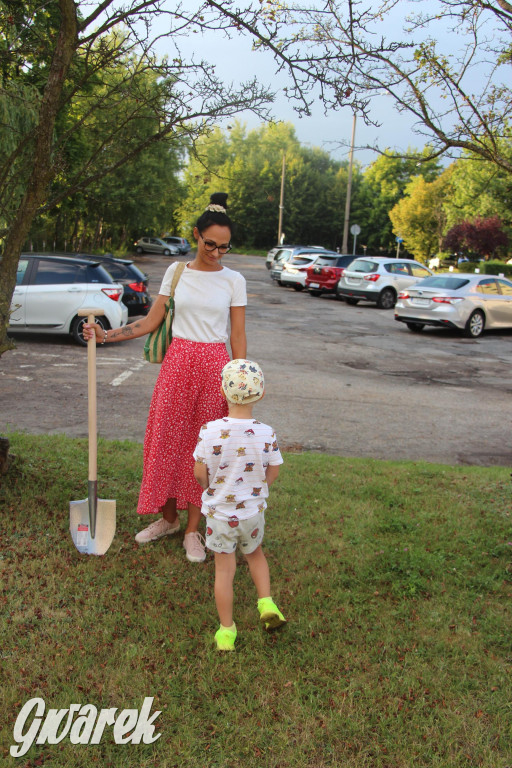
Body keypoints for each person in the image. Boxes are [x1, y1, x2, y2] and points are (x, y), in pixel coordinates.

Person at [83, 193, 247, 563]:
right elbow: (150, 322)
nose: (217, 253)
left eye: (225, 248)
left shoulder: (234, 280)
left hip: (213, 367)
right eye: (210, 245)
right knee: (166, 441)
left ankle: (193, 530)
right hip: (177, 364)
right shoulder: (176, 273)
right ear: (195, 235)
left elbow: (237, 335)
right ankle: (167, 519)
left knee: (202, 450)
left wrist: (241, 384)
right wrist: (105, 334)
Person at [193, 358, 286, 652]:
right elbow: (274, 468)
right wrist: (260, 488)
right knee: (256, 556)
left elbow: (199, 471)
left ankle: (226, 632)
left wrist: (208, 485)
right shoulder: (266, 432)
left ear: (222, 392)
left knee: (225, 571)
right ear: (262, 393)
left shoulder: (209, 431)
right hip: (252, 513)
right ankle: (266, 603)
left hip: (220, 515)